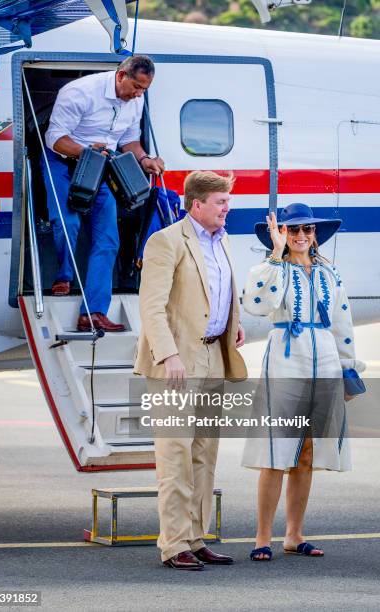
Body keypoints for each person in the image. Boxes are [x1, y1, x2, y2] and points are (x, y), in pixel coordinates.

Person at [134, 171, 247, 570]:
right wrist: (168, 356)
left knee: (204, 453)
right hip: (176, 363)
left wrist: (232, 323)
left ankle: (196, 537)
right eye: (220, 202)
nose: (226, 208)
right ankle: (174, 543)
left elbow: (217, 291)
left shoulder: (223, 240)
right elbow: (152, 306)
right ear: (197, 204)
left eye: (227, 201)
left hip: (212, 355)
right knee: (176, 456)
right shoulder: (165, 241)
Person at [242, 203, 365, 561]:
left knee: (307, 452)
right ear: (281, 234)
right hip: (286, 358)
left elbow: (342, 322)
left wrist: (347, 369)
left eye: (306, 230)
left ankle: (294, 535)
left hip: (324, 358)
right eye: (292, 230)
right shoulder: (270, 268)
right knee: (276, 451)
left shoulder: (329, 273)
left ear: (315, 235)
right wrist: (277, 256)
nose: (300, 236)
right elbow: (257, 304)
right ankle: (262, 537)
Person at [43, 55, 164, 332]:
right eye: (136, 86)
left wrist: (145, 159)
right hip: (62, 159)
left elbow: (128, 140)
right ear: (121, 76)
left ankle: (94, 312)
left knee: (108, 237)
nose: (139, 94)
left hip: (101, 163)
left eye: (144, 89)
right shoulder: (79, 93)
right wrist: (86, 151)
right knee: (67, 223)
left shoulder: (136, 100)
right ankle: (63, 275)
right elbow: (55, 138)